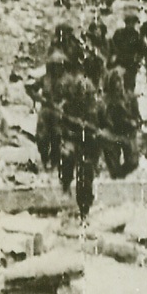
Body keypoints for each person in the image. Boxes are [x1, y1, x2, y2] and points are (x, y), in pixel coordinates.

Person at [58, 69, 101, 217]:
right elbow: (63, 127)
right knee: (66, 157)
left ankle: (84, 209)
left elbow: (97, 130)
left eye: (86, 95)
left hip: (88, 145)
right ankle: (65, 185)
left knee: (85, 175)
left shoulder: (95, 109)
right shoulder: (69, 107)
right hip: (74, 141)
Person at [100, 67, 141, 178]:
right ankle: (116, 174)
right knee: (114, 170)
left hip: (127, 133)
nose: (118, 85)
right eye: (115, 83)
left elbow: (137, 118)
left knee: (133, 162)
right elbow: (101, 121)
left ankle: (121, 174)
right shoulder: (104, 102)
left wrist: (133, 123)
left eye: (119, 81)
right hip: (112, 135)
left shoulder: (130, 98)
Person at [35, 50, 67, 170]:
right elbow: (30, 88)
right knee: (42, 137)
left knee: (57, 136)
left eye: (59, 65)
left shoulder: (65, 81)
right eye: (55, 65)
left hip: (58, 111)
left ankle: (54, 163)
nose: (57, 68)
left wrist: (63, 103)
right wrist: (40, 99)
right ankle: (44, 159)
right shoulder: (45, 79)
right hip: (45, 110)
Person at [109, 7, 144, 92]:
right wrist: (113, 56)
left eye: (132, 23)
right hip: (118, 61)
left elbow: (141, 51)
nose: (130, 25)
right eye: (128, 23)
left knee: (129, 86)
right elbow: (112, 46)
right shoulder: (119, 33)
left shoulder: (137, 36)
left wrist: (137, 61)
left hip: (130, 63)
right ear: (125, 23)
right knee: (115, 82)